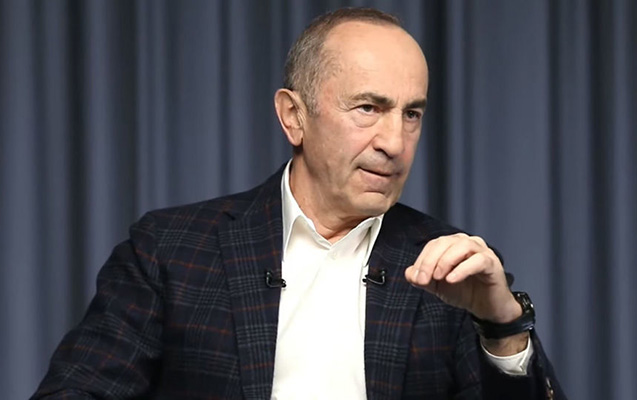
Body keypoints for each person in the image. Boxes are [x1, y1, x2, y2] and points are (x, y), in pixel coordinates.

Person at [33, 7, 565, 400]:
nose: (395, 142)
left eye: (411, 114)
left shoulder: (453, 268)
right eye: (368, 108)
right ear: (294, 117)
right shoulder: (169, 251)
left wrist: (502, 325)